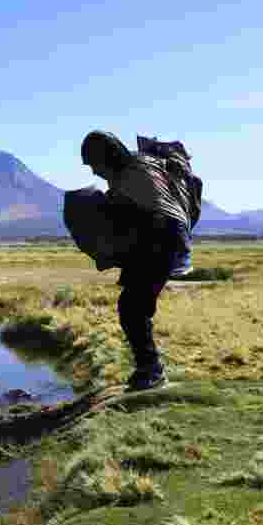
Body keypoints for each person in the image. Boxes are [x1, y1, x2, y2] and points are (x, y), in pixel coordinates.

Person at [79, 130, 194, 391]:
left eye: (95, 164)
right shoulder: (136, 168)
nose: (95, 172)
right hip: (162, 238)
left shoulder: (133, 175)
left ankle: (152, 371)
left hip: (163, 239)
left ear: (106, 157)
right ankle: (148, 368)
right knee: (134, 307)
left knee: (132, 307)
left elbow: (154, 216)